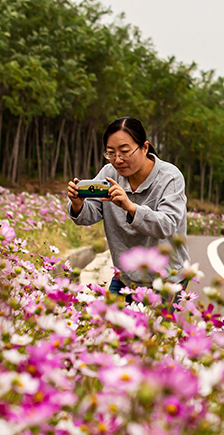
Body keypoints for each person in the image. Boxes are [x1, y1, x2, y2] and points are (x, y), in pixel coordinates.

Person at [67, 116, 190, 305]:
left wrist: (131, 207)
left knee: (155, 333)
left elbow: (168, 225)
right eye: (110, 153)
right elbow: (90, 213)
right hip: (125, 277)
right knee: (112, 331)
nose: (118, 160)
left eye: (125, 152)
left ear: (145, 147)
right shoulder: (109, 174)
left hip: (166, 280)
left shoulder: (170, 178)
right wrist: (77, 203)